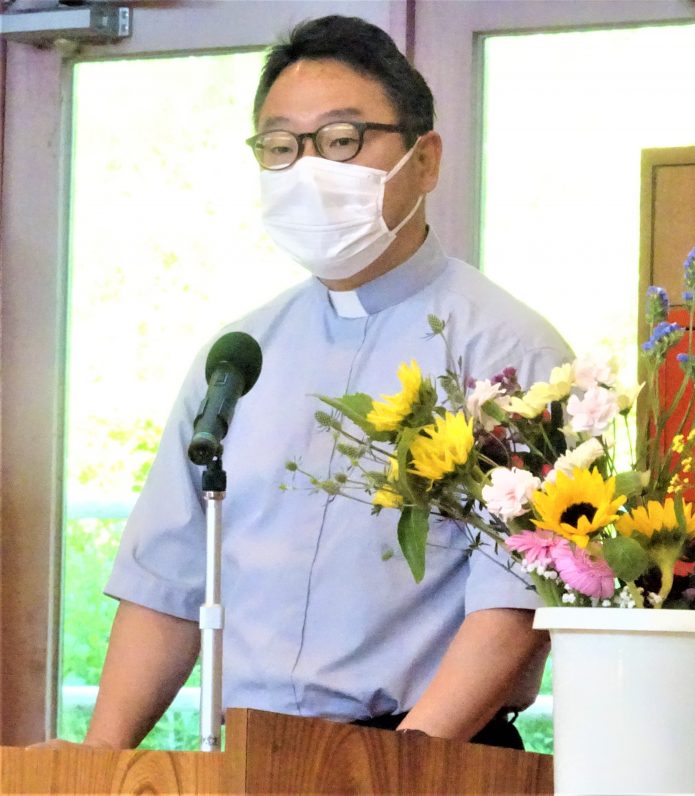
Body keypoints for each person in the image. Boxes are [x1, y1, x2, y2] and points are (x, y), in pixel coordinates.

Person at [81, 14, 571, 750]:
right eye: (281, 148)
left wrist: (395, 766)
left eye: (341, 141)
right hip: (247, 757)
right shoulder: (239, 354)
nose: (309, 171)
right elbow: (167, 587)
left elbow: (516, 601)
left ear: (425, 159)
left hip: (427, 759)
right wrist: (98, 768)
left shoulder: (507, 352)